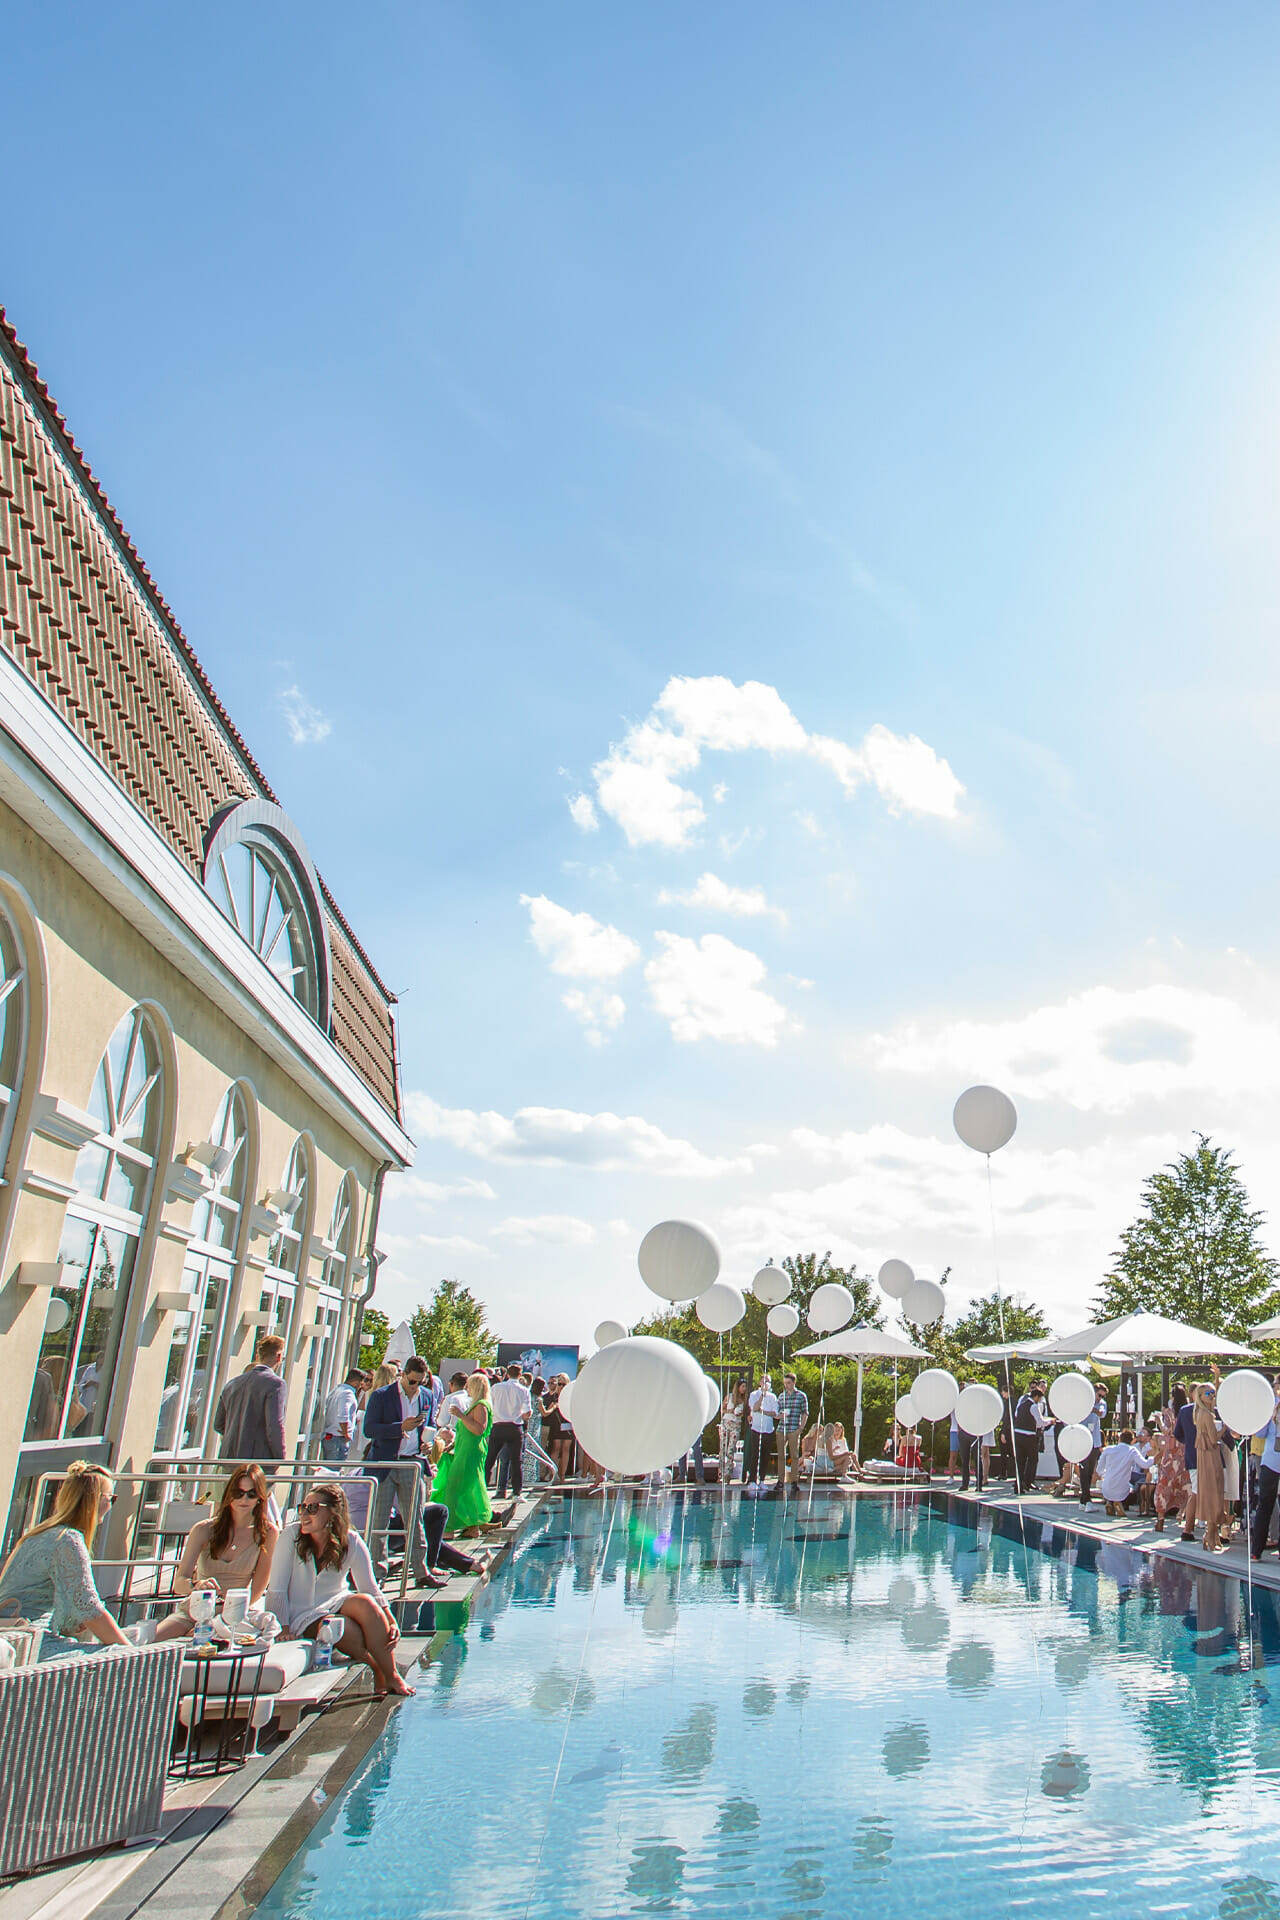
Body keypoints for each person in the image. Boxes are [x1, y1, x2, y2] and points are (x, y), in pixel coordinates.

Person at [265, 1483, 412, 1697]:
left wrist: (390, 1620)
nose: (305, 1514)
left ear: (333, 1512)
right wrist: (283, 1628)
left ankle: (392, 1674)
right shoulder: (291, 1536)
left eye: (313, 1508)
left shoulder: (350, 1541)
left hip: (336, 1600)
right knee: (338, 1625)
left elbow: (370, 1588)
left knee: (366, 1603)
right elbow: (276, 1589)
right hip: (301, 1615)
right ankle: (377, 1668)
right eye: (302, 1507)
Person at [0, 1460, 131, 1658]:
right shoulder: (68, 1540)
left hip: (14, 1636)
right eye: (110, 1498)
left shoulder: (38, 1534)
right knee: (116, 1656)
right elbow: (90, 1610)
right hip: (31, 1644)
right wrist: (133, 1652)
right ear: (94, 1500)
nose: (110, 1504)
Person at [155, 1464, 278, 1638]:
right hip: (196, 1607)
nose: (244, 1499)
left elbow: (257, 1591)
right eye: (238, 1493)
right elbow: (179, 1583)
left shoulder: (267, 1533)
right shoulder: (204, 1529)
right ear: (229, 1494)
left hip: (234, 1612)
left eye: (251, 1494)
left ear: (260, 1497)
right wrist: (196, 1585)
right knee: (154, 1640)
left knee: (201, 1639)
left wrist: (220, 1620)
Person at [365, 1355, 435, 1585]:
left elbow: (430, 1425)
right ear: (403, 1375)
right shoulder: (381, 1395)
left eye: (421, 1382)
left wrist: (428, 1443)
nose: (416, 1386)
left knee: (415, 1519)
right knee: (379, 1520)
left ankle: (421, 1571)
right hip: (386, 1462)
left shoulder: (427, 1396)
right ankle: (377, 1572)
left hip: (412, 1461)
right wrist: (399, 1428)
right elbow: (369, 1429)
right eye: (413, 1381)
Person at [431, 1372, 493, 1534]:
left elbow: (479, 1429)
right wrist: (451, 1447)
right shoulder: (477, 1404)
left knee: (455, 1486)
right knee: (466, 1487)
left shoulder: (481, 1405)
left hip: (470, 1452)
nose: (467, 1389)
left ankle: (450, 1527)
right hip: (465, 1449)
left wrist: (460, 1416)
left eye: (469, 1386)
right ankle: (472, 1526)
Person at [213, 1334, 288, 1461]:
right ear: (279, 1357)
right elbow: (274, 1425)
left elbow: (219, 1424)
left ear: (258, 1356)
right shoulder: (276, 1384)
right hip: (257, 1460)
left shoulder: (232, 1383)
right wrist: (280, 1456)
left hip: (229, 1457)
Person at [489, 1363, 532, 1502]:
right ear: (520, 1375)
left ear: (507, 1374)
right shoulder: (523, 1390)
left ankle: (487, 1488)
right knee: (516, 1461)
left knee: (491, 1459)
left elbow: (490, 1406)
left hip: (498, 1425)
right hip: (514, 1427)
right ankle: (516, 1492)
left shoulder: (496, 1388)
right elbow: (527, 1413)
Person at [1193, 1384, 1227, 1552]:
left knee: (1210, 1492)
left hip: (1205, 1455)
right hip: (1210, 1455)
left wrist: (1217, 1379)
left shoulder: (1200, 1413)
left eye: (1213, 1393)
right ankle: (1211, 1534)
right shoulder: (1206, 1415)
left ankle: (1212, 1535)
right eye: (1208, 1393)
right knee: (1214, 1491)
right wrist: (1226, 1427)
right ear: (1200, 1396)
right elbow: (1214, 1439)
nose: (1212, 1396)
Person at [1250, 1380, 1280, 1560]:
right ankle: (1256, 1550)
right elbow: (1260, 1433)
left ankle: (1259, 1549)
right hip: (1271, 1461)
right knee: (1265, 1504)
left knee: (1267, 1505)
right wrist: (1268, 1417)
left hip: (1271, 1460)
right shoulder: (1271, 1407)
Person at [1096, 1427, 1154, 1515]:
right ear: (1132, 1441)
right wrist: (1154, 1457)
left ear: (1119, 1439)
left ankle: (1109, 1502)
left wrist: (1105, 1475)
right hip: (1122, 1490)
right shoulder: (1132, 1450)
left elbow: (1098, 1469)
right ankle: (1118, 1503)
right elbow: (1145, 1464)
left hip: (1106, 1488)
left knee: (1112, 1484)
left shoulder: (1108, 1450)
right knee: (1132, 1488)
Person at [321, 1368, 367, 1463]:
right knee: (334, 1470)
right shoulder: (348, 1394)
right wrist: (346, 1433)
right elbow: (343, 1415)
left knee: (328, 1469)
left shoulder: (337, 1390)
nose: (360, 1387)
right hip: (338, 1437)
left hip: (330, 1435)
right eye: (360, 1384)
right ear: (355, 1382)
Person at [775, 1373, 809, 1492]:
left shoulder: (801, 1396)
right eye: (785, 1383)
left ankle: (794, 1481)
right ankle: (780, 1480)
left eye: (788, 1383)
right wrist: (779, 1416)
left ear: (794, 1383)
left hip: (794, 1428)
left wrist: (801, 1428)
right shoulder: (781, 1396)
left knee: (794, 1456)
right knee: (781, 1456)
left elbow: (805, 1413)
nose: (786, 1385)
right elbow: (776, 1412)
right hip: (782, 1428)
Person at [1012, 1383, 1049, 1492]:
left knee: (1020, 1461)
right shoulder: (1033, 1406)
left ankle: (1018, 1485)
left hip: (1018, 1434)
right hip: (1028, 1435)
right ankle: (1027, 1482)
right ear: (1036, 1397)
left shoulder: (1022, 1404)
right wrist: (1050, 1421)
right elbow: (1040, 1422)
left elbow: (1017, 1416)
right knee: (1033, 1459)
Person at [744, 1375, 778, 1485]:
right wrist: (762, 1396)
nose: (766, 1383)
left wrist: (763, 1411)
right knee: (755, 1454)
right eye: (764, 1381)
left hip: (768, 1429)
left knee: (765, 1454)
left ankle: (762, 1479)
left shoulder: (773, 1397)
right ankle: (752, 1479)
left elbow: (775, 1413)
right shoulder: (754, 1395)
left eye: (768, 1382)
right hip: (756, 1428)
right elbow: (754, 1408)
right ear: (760, 1382)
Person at [1078, 1388, 1107, 1508]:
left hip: (1094, 1441)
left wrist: (1094, 1409)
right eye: (1098, 1395)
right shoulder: (1083, 1402)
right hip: (1083, 1439)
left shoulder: (1101, 1403)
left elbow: (1101, 1413)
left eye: (1102, 1396)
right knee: (1084, 1469)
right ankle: (1086, 1497)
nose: (1100, 1398)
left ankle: (1084, 1498)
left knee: (1090, 1471)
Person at [719, 1378, 747, 1479]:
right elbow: (722, 1409)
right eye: (742, 1386)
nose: (744, 1389)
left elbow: (746, 1413)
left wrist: (741, 1413)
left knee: (731, 1450)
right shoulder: (730, 1397)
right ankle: (720, 1473)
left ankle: (728, 1474)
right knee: (722, 1448)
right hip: (726, 1422)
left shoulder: (744, 1400)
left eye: (745, 1387)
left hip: (736, 1424)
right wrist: (730, 1411)